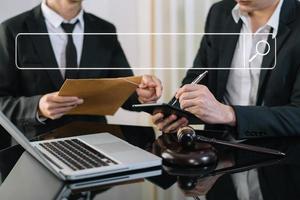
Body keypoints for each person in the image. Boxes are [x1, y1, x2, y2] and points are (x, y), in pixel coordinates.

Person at [152, 0, 300, 199]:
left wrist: (228, 113)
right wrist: (179, 111)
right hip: (220, 158)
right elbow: (199, 76)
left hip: (282, 163)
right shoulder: (220, 12)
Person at [0, 0, 162, 145]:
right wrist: (37, 107)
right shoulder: (12, 30)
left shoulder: (104, 30)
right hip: (35, 147)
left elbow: (124, 89)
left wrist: (140, 93)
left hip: (95, 144)